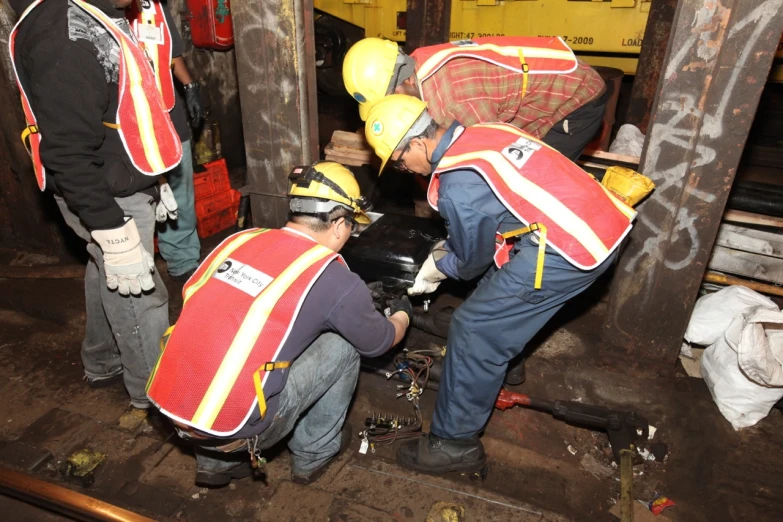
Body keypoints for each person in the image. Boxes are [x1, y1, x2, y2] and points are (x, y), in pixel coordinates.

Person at [363, 95, 636, 477]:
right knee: (496, 292)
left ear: (417, 144)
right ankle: (504, 367)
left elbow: (470, 261)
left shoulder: (458, 182)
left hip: (568, 248)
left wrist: (437, 266)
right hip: (600, 221)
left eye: (399, 160)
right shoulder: (482, 132)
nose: (403, 168)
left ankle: (453, 444)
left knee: (474, 330)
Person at [146, 162, 413, 488]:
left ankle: (214, 464)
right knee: (344, 345)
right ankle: (312, 454)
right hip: (237, 427)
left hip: (169, 407)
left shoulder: (239, 239)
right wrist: (402, 314)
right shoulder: (331, 275)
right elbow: (378, 341)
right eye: (351, 228)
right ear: (340, 224)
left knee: (223, 334)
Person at [8, 0, 182, 408]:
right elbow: (68, 153)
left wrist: (151, 178)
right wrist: (111, 226)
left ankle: (103, 359)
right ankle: (152, 393)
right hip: (103, 191)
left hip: (118, 178)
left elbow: (120, 109)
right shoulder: (65, 37)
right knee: (141, 293)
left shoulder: (93, 11)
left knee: (104, 266)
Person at [343, 36, 607, 161]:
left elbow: (489, 159)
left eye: (388, 98)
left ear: (407, 79)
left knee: (538, 175)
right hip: (545, 85)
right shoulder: (417, 60)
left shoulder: (454, 104)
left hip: (575, 99)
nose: (388, 108)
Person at [126, 0, 203, 280]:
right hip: (127, 122)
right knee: (139, 198)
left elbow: (170, 52)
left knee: (180, 190)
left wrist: (190, 85)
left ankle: (184, 263)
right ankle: (137, 266)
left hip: (167, 111)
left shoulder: (154, 6)